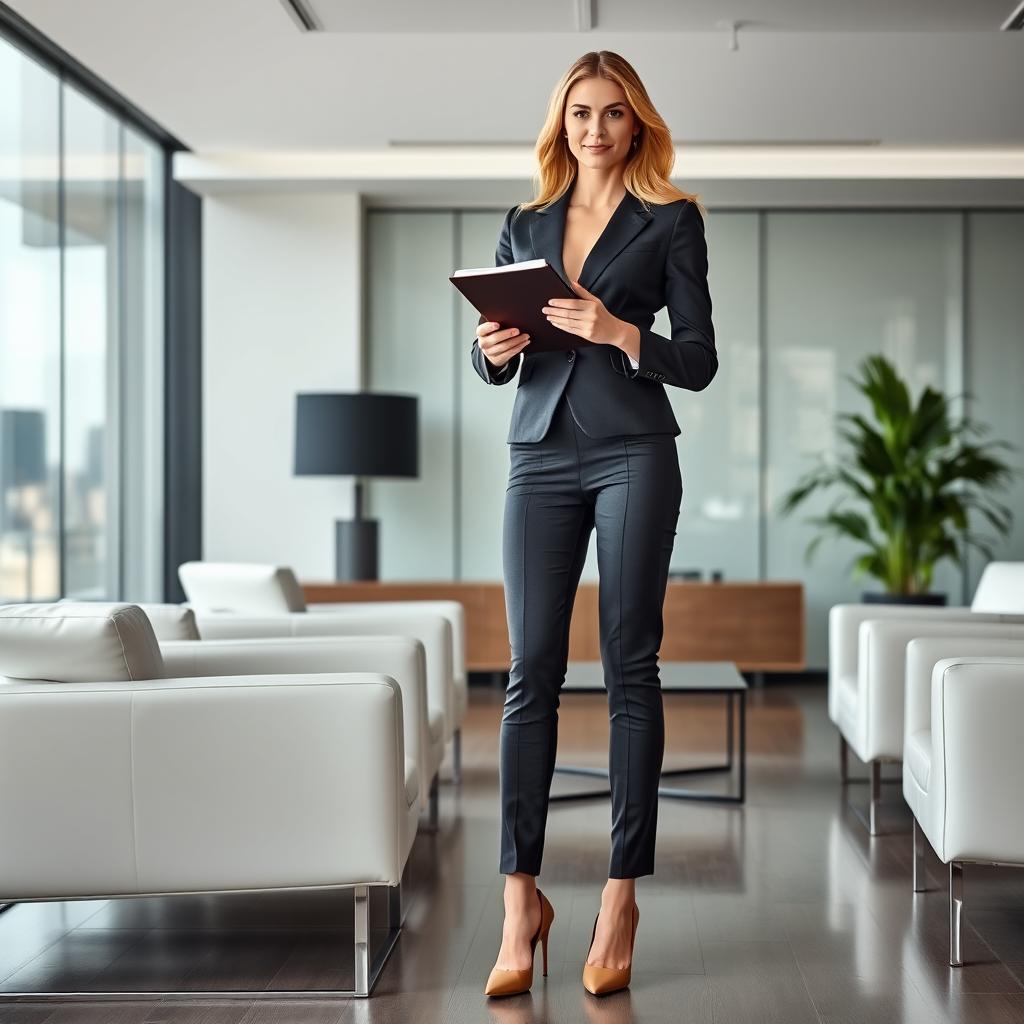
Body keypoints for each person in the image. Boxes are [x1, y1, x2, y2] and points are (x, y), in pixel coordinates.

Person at [471, 50, 717, 998]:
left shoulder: (671, 222)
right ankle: (518, 901)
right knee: (529, 670)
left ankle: (619, 898)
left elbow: (695, 358)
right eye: (581, 113)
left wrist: (619, 331)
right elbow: (500, 362)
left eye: (614, 114)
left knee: (629, 665)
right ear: (561, 121)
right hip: (537, 454)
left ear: (636, 123)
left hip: (632, 452)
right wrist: (492, 349)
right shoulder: (523, 224)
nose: (596, 129)